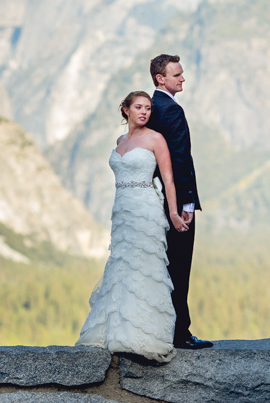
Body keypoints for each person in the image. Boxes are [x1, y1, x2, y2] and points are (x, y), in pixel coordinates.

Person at [76, 91, 190, 362]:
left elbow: (168, 179)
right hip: (122, 211)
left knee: (145, 266)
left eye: (148, 108)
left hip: (145, 208)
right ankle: (118, 331)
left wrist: (173, 213)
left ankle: (147, 334)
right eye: (138, 107)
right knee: (122, 264)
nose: (144, 112)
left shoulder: (156, 139)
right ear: (125, 110)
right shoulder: (120, 140)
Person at [146, 54, 212, 350]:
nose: (182, 78)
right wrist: (186, 205)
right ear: (161, 78)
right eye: (177, 75)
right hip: (176, 201)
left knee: (161, 267)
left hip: (153, 199)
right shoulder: (171, 110)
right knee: (179, 267)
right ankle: (180, 334)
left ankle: (160, 328)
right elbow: (180, 161)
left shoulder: (149, 108)